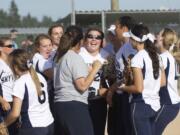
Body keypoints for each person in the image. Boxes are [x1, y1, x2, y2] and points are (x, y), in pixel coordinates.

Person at [117, 24, 166, 135]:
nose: (129, 40)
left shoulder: (137, 58)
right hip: (155, 105)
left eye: (130, 38)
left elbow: (138, 88)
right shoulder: (157, 55)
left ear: (135, 40)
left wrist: (123, 88)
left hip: (140, 105)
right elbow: (162, 82)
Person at [53, 25, 102, 135]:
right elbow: (82, 86)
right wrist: (95, 68)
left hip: (60, 106)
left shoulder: (60, 56)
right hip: (73, 105)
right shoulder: (74, 57)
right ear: (80, 41)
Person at [5, 49, 54, 135]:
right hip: (49, 124)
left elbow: (15, 114)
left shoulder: (20, 83)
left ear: (15, 67)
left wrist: (3, 125)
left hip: (33, 127)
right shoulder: (39, 76)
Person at [106, 16, 136, 135]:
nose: (115, 30)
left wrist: (116, 88)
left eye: (117, 27)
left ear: (124, 29)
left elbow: (132, 75)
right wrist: (112, 90)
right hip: (121, 94)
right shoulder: (124, 46)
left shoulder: (131, 47)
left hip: (128, 96)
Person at [79, 28, 107, 135]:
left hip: (98, 101)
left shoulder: (106, 56)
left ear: (101, 41)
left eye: (98, 37)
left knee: (98, 131)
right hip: (81, 100)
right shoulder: (78, 54)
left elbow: (111, 79)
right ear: (85, 39)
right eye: (90, 36)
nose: (94, 40)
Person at [154, 28, 180, 135]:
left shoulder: (163, 57)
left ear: (163, 39)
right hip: (171, 103)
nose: (156, 36)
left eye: (158, 34)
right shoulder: (169, 56)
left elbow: (160, 83)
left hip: (167, 103)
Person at [0, 37, 18, 135]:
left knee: (15, 130)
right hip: (6, 103)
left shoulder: (13, 62)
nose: (12, 48)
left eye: (13, 46)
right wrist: (2, 101)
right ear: (1, 48)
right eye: (9, 46)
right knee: (7, 131)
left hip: (15, 100)